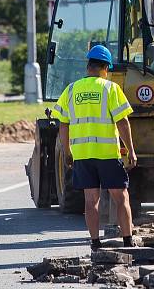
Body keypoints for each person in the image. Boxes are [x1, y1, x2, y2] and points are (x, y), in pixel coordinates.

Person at [52, 45, 137, 252]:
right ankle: (128, 241)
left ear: (88, 66)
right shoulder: (110, 88)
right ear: (106, 68)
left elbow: (63, 123)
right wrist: (131, 150)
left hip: (83, 155)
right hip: (107, 154)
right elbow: (122, 121)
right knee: (121, 197)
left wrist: (67, 151)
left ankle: (95, 244)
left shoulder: (71, 90)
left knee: (91, 201)